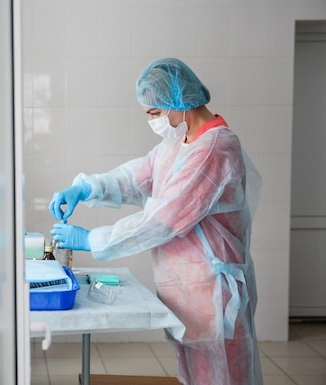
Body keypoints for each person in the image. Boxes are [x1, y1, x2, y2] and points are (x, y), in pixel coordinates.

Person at [49, 58, 263, 385]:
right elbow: (138, 177)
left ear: (178, 103)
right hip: (189, 289)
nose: (152, 121)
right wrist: (86, 187)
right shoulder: (180, 142)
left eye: (154, 113)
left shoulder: (214, 149)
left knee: (223, 377)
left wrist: (92, 240)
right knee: (193, 376)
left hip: (212, 293)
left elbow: (163, 219)